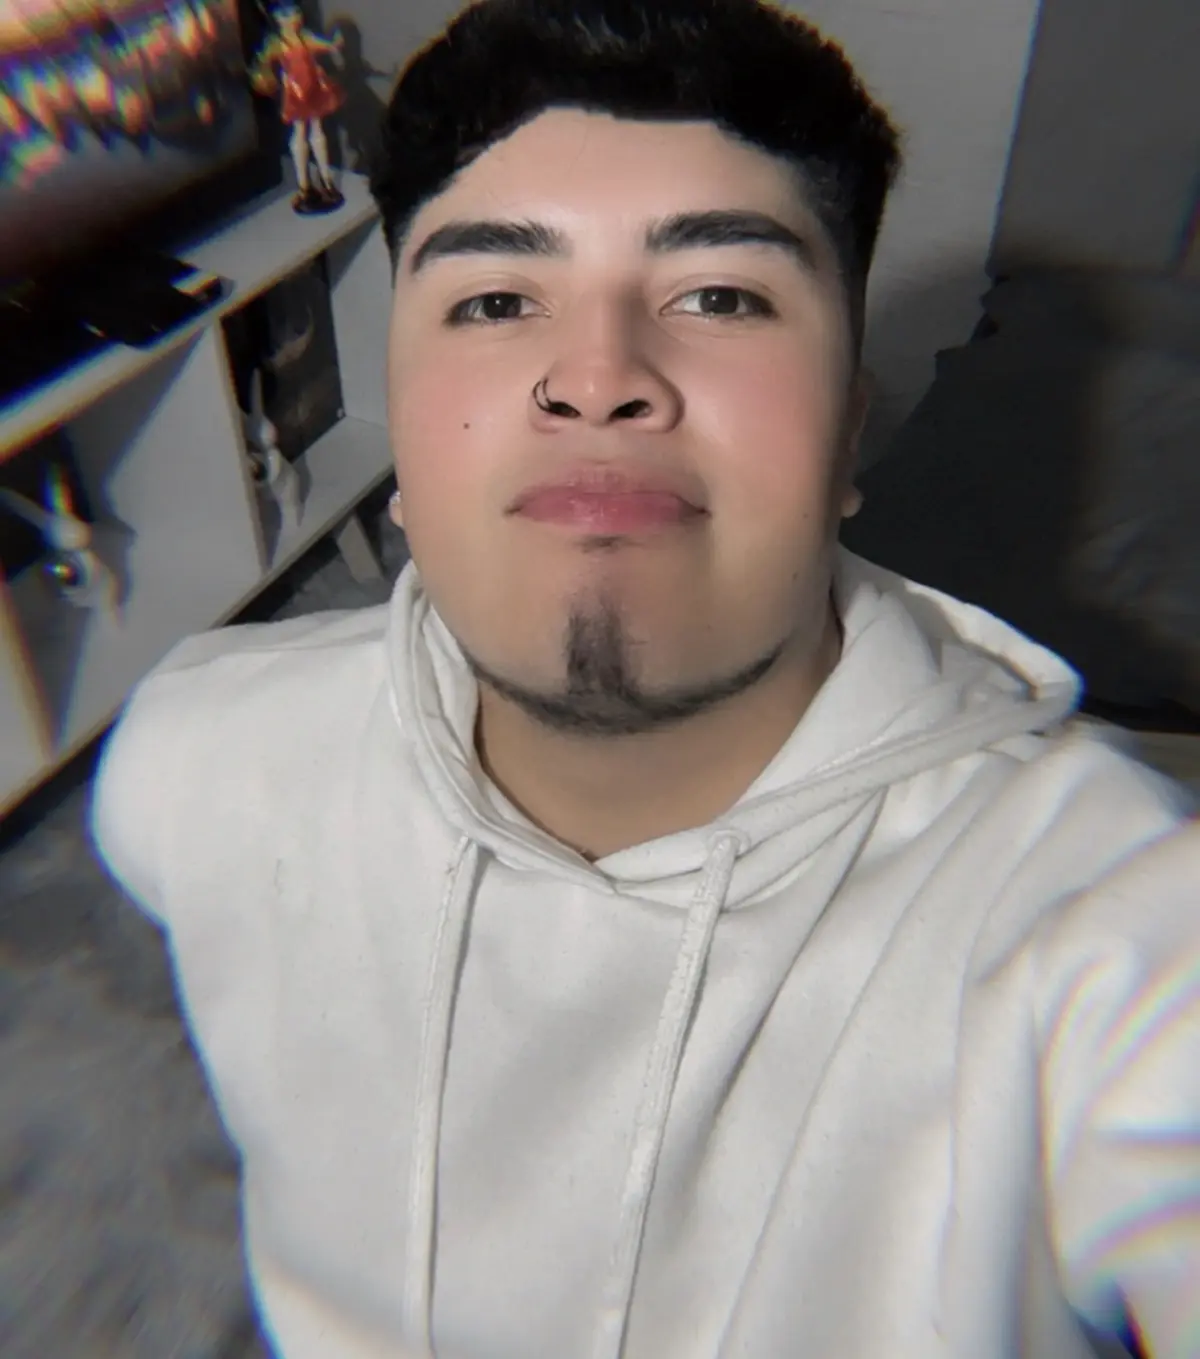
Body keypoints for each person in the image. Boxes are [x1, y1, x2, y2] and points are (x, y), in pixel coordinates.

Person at [91, 2, 1200, 1356]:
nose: (599, 375)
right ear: (402, 421)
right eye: (497, 299)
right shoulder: (194, 762)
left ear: (851, 431)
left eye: (721, 295)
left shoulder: (1121, 926)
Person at [249, 0, 345, 214]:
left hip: (313, 88)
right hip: (296, 91)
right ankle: (304, 186)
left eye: (295, 13)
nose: (292, 19)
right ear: (276, 18)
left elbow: (325, 45)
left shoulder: (305, 37)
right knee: (300, 132)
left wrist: (335, 44)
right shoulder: (277, 43)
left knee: (318, 132)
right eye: (285, 15)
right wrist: (264, 77)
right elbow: (261, 64)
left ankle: (326, 180)